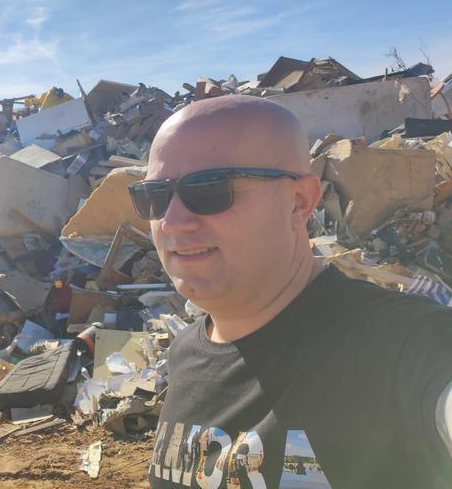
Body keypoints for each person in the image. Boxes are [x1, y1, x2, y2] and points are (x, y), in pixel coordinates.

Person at [129, 95, 452, 488]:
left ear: (299, 202)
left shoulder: (405, 343)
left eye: (209, 189)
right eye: (154, 196)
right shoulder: (185, 354)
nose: (172, 222)